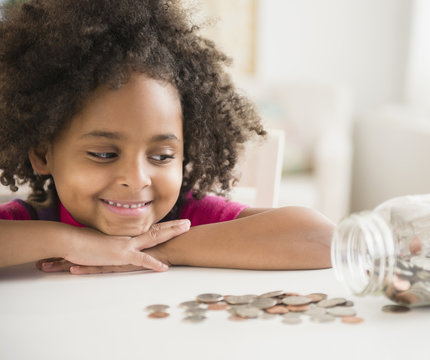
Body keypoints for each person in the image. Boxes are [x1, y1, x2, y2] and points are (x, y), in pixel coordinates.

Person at [0, 0, 334, 274]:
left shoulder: (185, 219)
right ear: (44, 154)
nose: (136, 179)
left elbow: (323, 238)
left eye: (161, 156)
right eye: (104, 154)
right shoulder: (34, 220)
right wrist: (72, 242)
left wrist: (155, 250)